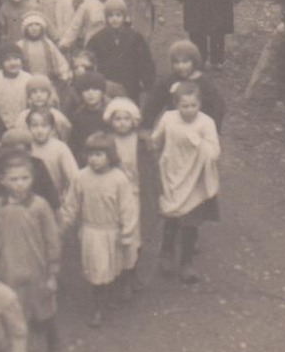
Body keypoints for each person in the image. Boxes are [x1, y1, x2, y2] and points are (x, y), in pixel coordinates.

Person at [0, 154, 62, 352]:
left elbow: (52, 240)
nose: (20, 184)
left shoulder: (39, 206)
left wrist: (53, 272)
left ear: (32, 179)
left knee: (45, 311)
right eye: (14, 179)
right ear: (3, 180)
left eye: (25, 178)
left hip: (37, 270)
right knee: (10, 313)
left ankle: (53, 348)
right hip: (8, 270)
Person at [60, 132, 138, 328]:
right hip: (91, 232)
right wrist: (63, 224)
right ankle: (98, 308)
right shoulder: (81, 177)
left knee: (112, 267)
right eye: (91, 154)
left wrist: (127, 232)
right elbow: (71, 204)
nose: (94, 159)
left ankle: (110, 295)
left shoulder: (119, 179)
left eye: (99, 155)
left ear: (110, 155)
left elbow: (128, 208)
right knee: (97, 271)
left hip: (113, 232)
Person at [151, 81, 222, 284]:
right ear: (176, 104)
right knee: (172, 216)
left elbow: (214, 152)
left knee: (191, 221)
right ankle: (166, 252)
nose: (189, 110)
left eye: (193, 106)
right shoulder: (168, 119)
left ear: (199, 104)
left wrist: (198, 143)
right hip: (172, 174)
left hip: (195, 178)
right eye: (184, 106)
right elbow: (157, 140)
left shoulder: (206, 123)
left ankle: (187, 262)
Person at [104, 96, 158, 296]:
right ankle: (116, 273)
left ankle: (131, 272)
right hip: (114, 195)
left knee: (135, 234)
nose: (122, 123)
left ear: (134, 120)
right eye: (117, 119)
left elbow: (151, 168)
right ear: (111, 121)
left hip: (135, 193)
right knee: (115, 232)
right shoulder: (107, 141)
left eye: (126, 119)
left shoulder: (141, 142)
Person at [142, 39, 227, 132]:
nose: (181, 66)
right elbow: (153, 103)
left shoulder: (204, 83)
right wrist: (146, 126)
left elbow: (218, 107)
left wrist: (212, 129)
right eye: (176, 62)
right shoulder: (169, 81)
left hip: (197, 129)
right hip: (174, 128)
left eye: (185, 62)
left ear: (194, 61)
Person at [87, 0, 156, 102]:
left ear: (124, 17)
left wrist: (147, 81)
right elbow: (90, 61)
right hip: (107, 83)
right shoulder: (97, 39)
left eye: (118, 15)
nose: (114, 19)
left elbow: (145, 60)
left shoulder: (135, 37)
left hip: (130, 83)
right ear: (106, 18)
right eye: (110, 16)